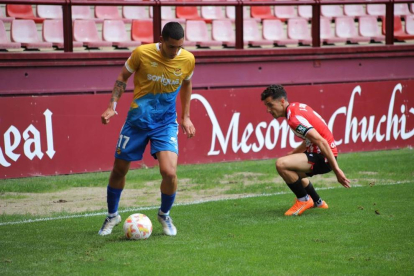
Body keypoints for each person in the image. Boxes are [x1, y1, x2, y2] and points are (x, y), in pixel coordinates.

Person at [98, 22, 196, 236]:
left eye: (179, 46)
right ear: (161, 40)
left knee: (169, 172)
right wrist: (111, 106)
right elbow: (122, 77)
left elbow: (187, 83)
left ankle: (164, 214)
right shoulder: (141, 54)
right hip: (136, 122)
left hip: (165, 123)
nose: (175, 51)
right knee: (119, 170)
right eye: (171, 46)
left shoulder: (187, 59)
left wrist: (186, 116)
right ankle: (112, 215)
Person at [261, 84, 350, 216]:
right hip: (321, 153)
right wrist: (293, 153)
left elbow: (320, 141)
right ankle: (318, 202)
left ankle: (303, 200)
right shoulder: (295, 107)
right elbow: (311, 139)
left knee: (281, 164)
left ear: (282, 101)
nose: (268, 110)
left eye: (270, 105)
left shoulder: (293, 119)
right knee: (291, 171)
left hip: (322, 156)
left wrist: (337, 170)